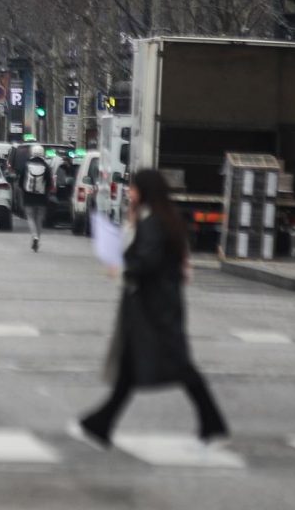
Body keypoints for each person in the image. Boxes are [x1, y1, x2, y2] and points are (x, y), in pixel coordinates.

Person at [74, 169, 228, 449]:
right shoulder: (160, 220)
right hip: (154, 305)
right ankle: (101, 423)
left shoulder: (153, 223)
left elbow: (147, 262)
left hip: (154, 308)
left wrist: (121, 268)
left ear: (144, 191)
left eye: (133, 188)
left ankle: (212, 421)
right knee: (132, 369)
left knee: (178, 366)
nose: (129, 193)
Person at [19, 147, 54, 252]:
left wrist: (23, 191)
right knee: (39, 219)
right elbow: (49, 184)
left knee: (30, 217)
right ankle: (37, 240)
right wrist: (47, 193)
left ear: (32, 153)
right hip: (42, 197)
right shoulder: (46, 166)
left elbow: (21, 182)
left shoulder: (26, 165)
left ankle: (34, 235)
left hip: (28, 195)